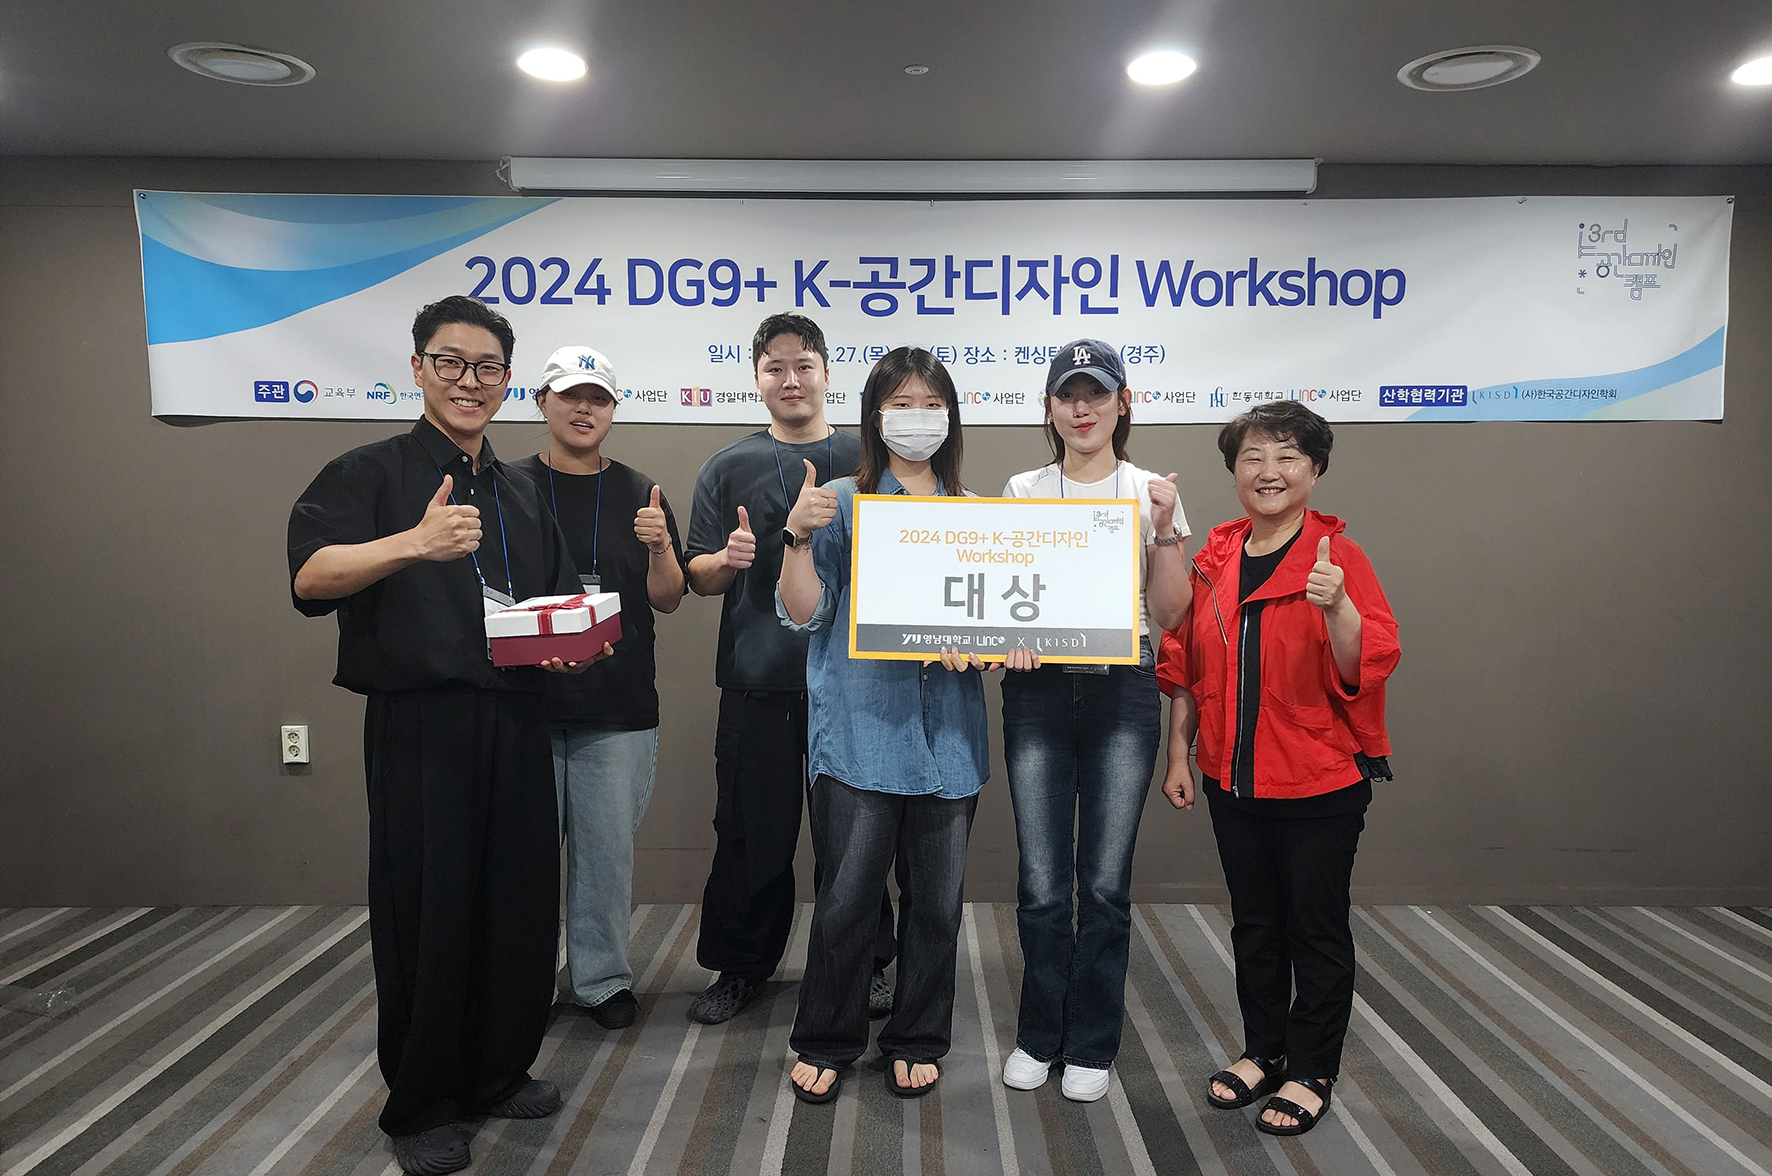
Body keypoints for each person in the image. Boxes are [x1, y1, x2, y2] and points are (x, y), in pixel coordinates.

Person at [288, 296, 605, 1176]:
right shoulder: (368, 472)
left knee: (517, 900)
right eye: (451, 363)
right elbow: (310, 577)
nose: (470, 381)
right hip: (422, 725)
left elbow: (547, 600)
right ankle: (423, 1101)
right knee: (428, 909)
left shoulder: (520, 489)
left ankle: (497, 1070)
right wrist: (412, 544)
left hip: (518, 716)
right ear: (419, 367)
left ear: (507, 381)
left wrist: (570, 645)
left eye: (488, 367)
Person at [778, 347, 1035, 1102]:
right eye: (900, 404)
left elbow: (993, 629)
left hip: (948, 741)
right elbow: (804, 614)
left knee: (937, 907)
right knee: (846, 902)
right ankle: (826, 1037)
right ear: (874, 416)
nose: (916, 418)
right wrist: (797, 537)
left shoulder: (978, 515)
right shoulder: (840, 502)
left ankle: (917, 1037)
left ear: (950, 418)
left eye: (931, 405)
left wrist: (1008, 647)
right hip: (861, 735)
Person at [1156, 399, 1400, 1136]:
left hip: (1318, 780)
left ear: (1314, 470)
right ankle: (1263, 1050)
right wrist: (1178, 753)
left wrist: (1340, 609)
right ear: (1234, 471)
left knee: (1315, 929)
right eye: (1253, 457)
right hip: (1232, 777)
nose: (1269, 470)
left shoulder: (1338, 557)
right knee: (1255, 924)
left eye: (1288, 455)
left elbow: (1366, 665)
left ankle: (1312, 1068)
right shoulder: (1217, 556)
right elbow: (1186, 663)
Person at [682, 313, 897, 1024]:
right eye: (775, 367)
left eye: (804, 365)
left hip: (853, 682)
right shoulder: (726, 466)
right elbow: (698, 576)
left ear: (827, 373)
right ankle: (741, 968)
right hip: (758, 681)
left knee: (857, 840)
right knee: (752, 835)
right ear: (757, 378)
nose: (791, 379)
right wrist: (726, 560)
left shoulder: (868, 460)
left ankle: (869, 964)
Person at [997, 339, 1191, 1102]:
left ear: (1123, 401)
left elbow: (1170, 614)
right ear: (1048, 407)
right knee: (1042, 881)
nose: (1082, 408)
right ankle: (1039, 1033)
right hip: (1039, 690)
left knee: (1105, 883)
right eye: (1068, 395)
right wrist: (1008, 642)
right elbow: (1008, 594)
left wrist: (1166, 529)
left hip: (1123, 689)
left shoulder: (1151, 491)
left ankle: (1091, 1042)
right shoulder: (1023, 489)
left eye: (1096, 393)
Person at [509, 345, 686, 1031]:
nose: (584, 409)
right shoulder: (508, 486)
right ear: (542, 402)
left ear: (613, 410)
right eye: (570, 396)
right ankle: (520, 981)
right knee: (524, 856)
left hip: (616, 704)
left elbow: (668, 598)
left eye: (598, 398)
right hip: (524, 700)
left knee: (605, 855)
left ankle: (602, 979)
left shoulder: (642, 492)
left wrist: (660, 546)